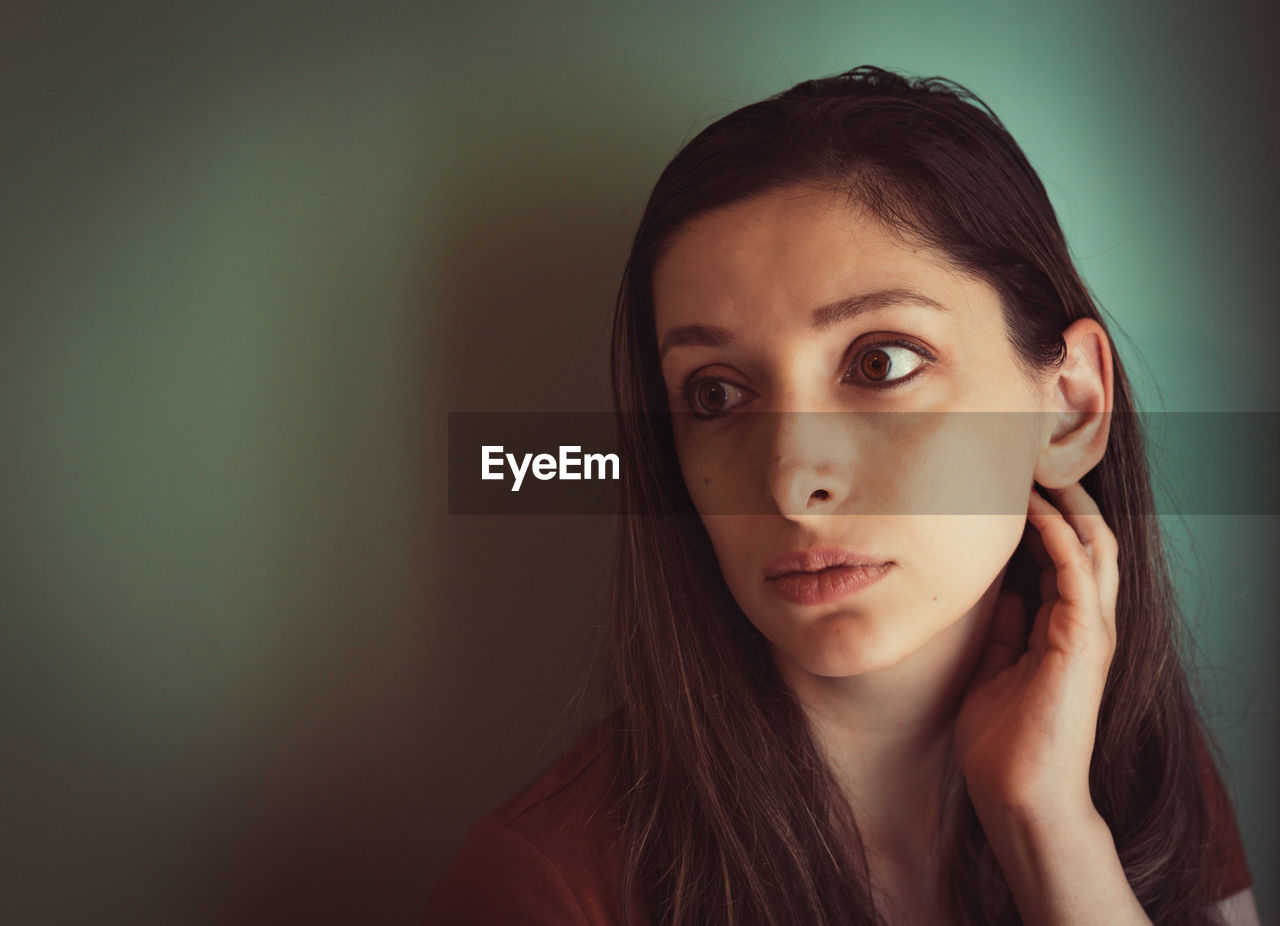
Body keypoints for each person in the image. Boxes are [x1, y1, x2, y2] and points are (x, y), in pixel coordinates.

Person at [426, 66, 1259, 925]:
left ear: (1069, 405)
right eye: (714, 394)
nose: (789, 480)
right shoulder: (545, 888)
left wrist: (1049, 831)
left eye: (881, 362)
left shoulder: (1142, 772)